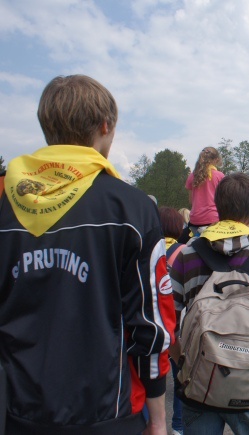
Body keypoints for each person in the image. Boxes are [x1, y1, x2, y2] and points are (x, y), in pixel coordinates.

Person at [0, 74, 175, 435]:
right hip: (109, 413)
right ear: (105, 126)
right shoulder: (133, 209)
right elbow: (151, 325)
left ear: (47, 128)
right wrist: (159, 419)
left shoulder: (5, 203)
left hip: (18, 411)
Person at [169, 173, 249, 435]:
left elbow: (166, 322)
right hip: (248, 384)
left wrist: (184, 361)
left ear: (217, 204)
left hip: (199, 379)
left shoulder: (187, 254)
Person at [158, 207, 187, 435]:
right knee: (180, 376)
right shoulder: (185, 251)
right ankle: (178, 426)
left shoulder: (145, 247)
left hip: (148, 321)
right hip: (174, 322)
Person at [185, 147, 225, 236]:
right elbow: (224, 201)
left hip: (195, 220)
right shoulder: (220, 176)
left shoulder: (192, 176)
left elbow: (191, 201)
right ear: (216, 159)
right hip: (214, 221)